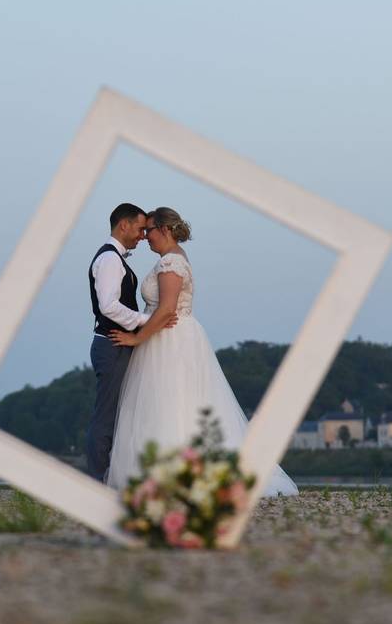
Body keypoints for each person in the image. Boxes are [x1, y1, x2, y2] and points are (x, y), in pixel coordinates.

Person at [105, 207, 298, 496]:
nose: (146, 237)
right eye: (143, 232)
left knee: (168, 403)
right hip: (168, 336)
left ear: (166, 230)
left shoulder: (171, 262)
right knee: (168, 403)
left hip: (167, 340)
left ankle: (170, 472)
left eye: (150, 231)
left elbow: (167, 309)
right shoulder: (174, 259)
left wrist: (136, 339)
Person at [85, 203, 177, 482]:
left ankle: (112, 476)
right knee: (107, 415)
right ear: (123, 225)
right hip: (112, 343)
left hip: (119, 343)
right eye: (139, 229)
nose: (142, 235)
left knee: (118, 413)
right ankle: (98, 479)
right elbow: (109, 306)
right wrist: (144, 321)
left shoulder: (116, 259)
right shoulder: (111, 260)